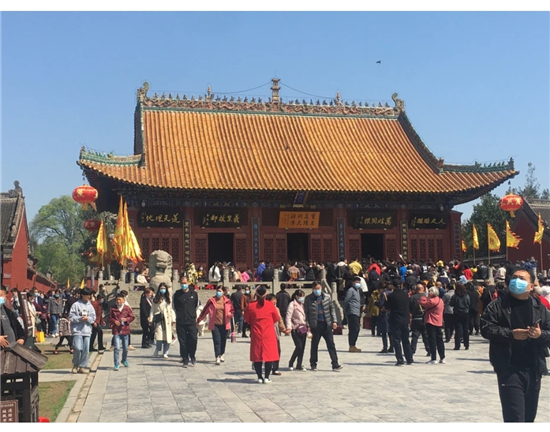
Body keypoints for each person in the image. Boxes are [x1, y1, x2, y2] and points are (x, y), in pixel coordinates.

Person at [481, 268, 550, 422]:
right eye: (514, 277)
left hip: (533, 369)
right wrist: (511, 334)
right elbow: (486, 328)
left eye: (522, 278)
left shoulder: (539, 308)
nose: (516, 281)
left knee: (529, 418)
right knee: (515, 417)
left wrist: (540, 335)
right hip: (509, 368)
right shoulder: (498, 305)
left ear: (531, 286)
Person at [304, 282, 343, 372]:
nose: (317, 290)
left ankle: (335, 364)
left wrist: (334, 321)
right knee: (314, 345)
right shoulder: (308, 299)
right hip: (315, 325)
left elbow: (332, 309)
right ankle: (313, 363)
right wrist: (308, 325)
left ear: (321, 288)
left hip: (326, 324)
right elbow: (306, 313)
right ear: (312, 289)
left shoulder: (327, 297)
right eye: (315, 289)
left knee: (331, 344)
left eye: (318, 288)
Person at [244, 286, 280, 383]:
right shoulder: (270, 305)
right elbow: (276, 318)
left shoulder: (251, 306)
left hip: (256, 333)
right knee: (269, 356)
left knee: (257, 356)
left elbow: (247, 319)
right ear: (266, 294)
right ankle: (267, 377)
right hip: (269, 333)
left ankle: (259, 377)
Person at [197, 286, 234, 365]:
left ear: (223, 292)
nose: (218, 292)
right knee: (217, 340)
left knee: (223, 340)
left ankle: (222, 354)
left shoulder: (227, 301)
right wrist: (199, 319)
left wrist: (230, 314)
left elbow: (232, 310)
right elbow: (205, 310)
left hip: (224, 324)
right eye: (217, 291)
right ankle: (217, 356)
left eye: (220, 291)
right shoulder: (211, 301)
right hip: (215, 324)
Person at [384, 281, 414, 366]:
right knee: (406, 340)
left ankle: (400, 359)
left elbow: (387, 307)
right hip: (405, 319)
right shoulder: (405, 295)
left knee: (396, 340)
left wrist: (385, 300)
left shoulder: (391, 296)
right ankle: (409, 359)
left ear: (393, 286)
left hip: (395, 320)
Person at [173, 276, 199, 367]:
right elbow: (175, 307)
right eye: (182, 283)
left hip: (191, 320)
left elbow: (196, 305)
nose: (183, 285)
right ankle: (185, 358)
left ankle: (192, 355)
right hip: (181, 320)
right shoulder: (177, 294)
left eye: (185, 283)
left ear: (188, 283)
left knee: (193, 339)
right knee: (182, 341)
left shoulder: (194, 294)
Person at [69, 288, 96, 374]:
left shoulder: (90, 306)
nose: (89, 296)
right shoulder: (76, 305)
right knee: (78, 348)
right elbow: (71, 317)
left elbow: (93, 318)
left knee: (85, 350)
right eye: (87, 295)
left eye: (90, 295)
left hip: (87, 330)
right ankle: (75, 364)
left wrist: (88, 319)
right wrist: (80, 318)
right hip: (77, 330)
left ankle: (82, 366)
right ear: (82, 295)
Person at [419, 285, 446, 364]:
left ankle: (433, 358)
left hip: (431, 321)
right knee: (439, 340)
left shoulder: (431, 301)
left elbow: (421, 302)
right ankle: (442, 357)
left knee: (432, 340)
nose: (429, 292)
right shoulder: (441, 300)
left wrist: (424, 296)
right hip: (439, 322)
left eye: (430, 291)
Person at [109, 293, 135, 371]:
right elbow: (109, 318)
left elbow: (132, 317)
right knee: (117, 347)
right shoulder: (113, 309)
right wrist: (114, 321)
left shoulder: (127, 308)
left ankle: (124, 359)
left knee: (125, 348)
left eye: (120, 300)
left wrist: (126, 319)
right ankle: (116, 364)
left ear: (124, 300)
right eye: (117, 300)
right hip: (116, 330)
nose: (118, 301)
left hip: (125, 330)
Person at [149, 283, 175, 359]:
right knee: (159, 337)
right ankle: (157, 349)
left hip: (167, 320)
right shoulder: (155, 299)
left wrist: (173, 319)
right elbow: (152, 310)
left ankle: (166, 352)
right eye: (161, 288)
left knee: (167, 338)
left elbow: (171, 309)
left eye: (164, 288)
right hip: (159, 320)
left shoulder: (168, 299)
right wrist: (151, 319)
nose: (163, 290)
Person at [266, 293, 289, 376]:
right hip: (266, 333)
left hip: (275, 332)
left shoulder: (276, 309)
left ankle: (275, 368)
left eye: (275, 300)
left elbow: (280, 320)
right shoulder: (264, 309)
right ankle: (261, 365)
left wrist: (284, 329)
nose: (275, 301)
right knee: (267, 351)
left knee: (277, 350)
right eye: (273, 300)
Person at [285, 289, 308, 371]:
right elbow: (288, 316)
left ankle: (299, 364)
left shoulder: (303, 304)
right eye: (301, 296)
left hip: (303, 328)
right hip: (295, 328)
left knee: (303, 347)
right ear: (296, 296)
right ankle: (291, 362)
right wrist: (289, 327)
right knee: (299, 347)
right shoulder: (292, 304)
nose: (302, 298)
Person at [409, 283, 430, 358]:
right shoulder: (426, 297)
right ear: (423, 289)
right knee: (426, 335)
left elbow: (409, 308)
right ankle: (429, 350)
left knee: (415, 336)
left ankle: (412, 350)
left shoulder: (412, 298)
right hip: (425, 318)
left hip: (415, 318)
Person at [344, 276, 363, 352]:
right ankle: (352, 345)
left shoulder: (358, 290)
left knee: (356, 329)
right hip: (352, 312)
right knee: (354, 329)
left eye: (359, 282)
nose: (358, 284)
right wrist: (346, 310)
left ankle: (353, 345)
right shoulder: (350, 290)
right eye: (356, 282)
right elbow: (346, 301)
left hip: (357, 312)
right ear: (353, 283)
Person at [450, 283, 470, 350]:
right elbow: (468, 303)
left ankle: (457, 345)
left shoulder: (455, 296)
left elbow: (451, 304)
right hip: (465, 313)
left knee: (458, 329)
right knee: (465, 329)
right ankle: (466, 344)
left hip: (457, 313)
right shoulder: (466, 296)